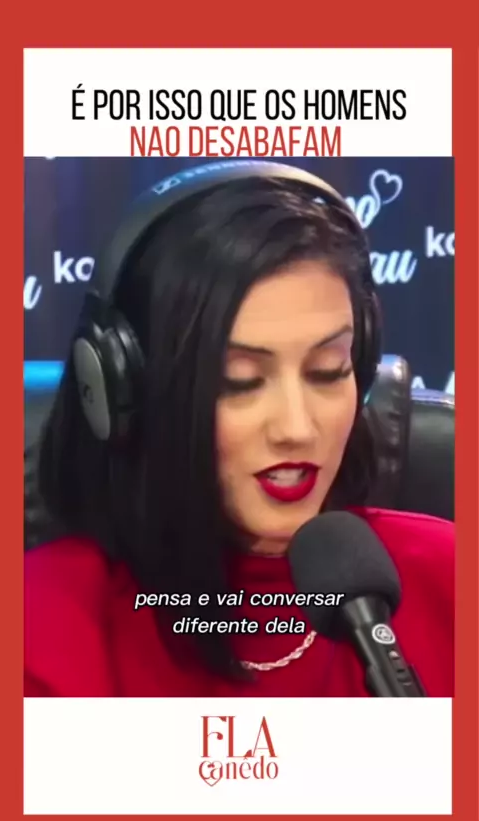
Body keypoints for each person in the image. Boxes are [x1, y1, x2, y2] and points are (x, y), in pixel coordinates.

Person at [24, 160, 454, 698]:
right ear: (125, 387)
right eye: (240, 381)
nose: (297, 428)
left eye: (328, 371)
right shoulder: (40, 628)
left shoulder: (452, 579)